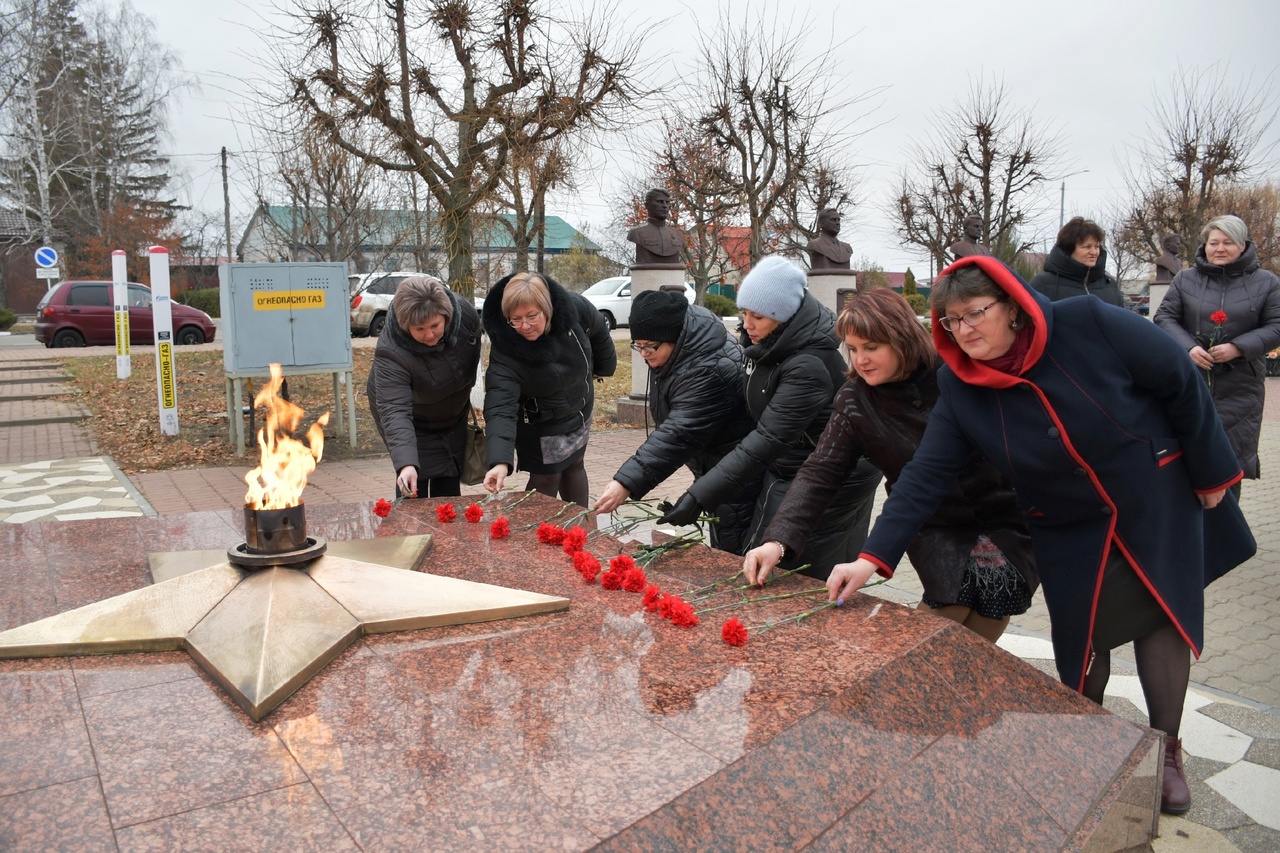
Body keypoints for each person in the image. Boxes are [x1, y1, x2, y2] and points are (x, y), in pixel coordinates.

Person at [825, 256, 1255, 815]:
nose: (963, 330)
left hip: (1152, 495)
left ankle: (1166, 750)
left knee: (1162, 616)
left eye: (974, 313)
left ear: (1012, 306)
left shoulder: (1089, 321)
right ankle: (1091, 739)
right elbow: (925, 475)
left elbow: (1179, 381)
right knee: (1086, 636)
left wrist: (1211, 468)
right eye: (950, 322)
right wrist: (871, 557)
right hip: (1067, 521)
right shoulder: (960, 385)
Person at [742, 288, 1037, 641]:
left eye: (871, 347)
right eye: (852, 349)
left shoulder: (953, 371)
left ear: (901, 339)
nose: (860, 360)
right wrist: (777, 541)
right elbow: (821, 471)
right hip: (931, 525)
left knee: (986, 617)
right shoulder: (855, 399)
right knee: (938, 629)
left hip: (1002, 515)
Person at [658, 255, 883, 578]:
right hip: (792, 467)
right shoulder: (768, 346)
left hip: (831, 476)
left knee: (793, 572)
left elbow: (767, 438)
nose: (747, 325)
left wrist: (699, 496)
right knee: (766, 563)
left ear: (784, 316)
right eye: (744, 313)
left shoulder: (807, 364)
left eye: (758, 316)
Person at [593, 289, 759, 553]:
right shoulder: (678, 353)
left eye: (650, 346)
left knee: (737, 552)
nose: (643, 353)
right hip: (717, 468)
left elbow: (680, 431)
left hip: (740, 475)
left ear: (675, 338)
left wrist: (626, 482)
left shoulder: (709, 369)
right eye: (638, 345)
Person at [1154, 214, 1280, 490]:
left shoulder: (1266, 282)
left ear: (1243, 245)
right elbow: (1164, 318)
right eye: (1213, 242)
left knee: (1228, 467)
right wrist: (1189, 348)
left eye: (1227, 242)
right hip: (1191, 381)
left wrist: (1238, 348)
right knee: (1185, 465)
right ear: (1205, 245)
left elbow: (1277, 326)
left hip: (1240, 387)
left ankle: (1226, 530)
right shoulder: (1186, 279)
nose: (1219, 248)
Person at [481, 271, 617, 506]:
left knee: (575, 464)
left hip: (578, 405)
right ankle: (535, 539)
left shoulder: (574, 307)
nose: (524, 326)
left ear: (547, 308)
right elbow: (500, 405)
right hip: (541, 420)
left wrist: (604, 367)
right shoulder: (505, 349)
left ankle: (579, 530)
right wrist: (499, 461)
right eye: (516, 319)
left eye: (532, 316)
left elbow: (598, 331)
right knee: (547, 476)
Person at [367, 275, 481, 498]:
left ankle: (449, 531)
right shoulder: (390, 352)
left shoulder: (465, 316)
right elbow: (394, 410)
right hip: (411, 418)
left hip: (451, 411)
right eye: (419, 329)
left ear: (446, 315)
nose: (429, 335)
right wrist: (406, 464)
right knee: (414, 482)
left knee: (448, 476)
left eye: (435, 325)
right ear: (405, 325)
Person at [1028, 216, 1124, 306]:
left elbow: (1122, 321)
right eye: (1087, 247)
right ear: (1069, 249)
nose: (1094, 252)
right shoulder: (1043, 284)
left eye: (1097, 246)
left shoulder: (1110, 285)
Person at [626, 188, 685, 267]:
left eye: (667, 203)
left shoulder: (678, 235)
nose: (665, 206)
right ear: (647, 205)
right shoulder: (636, 233)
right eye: (660, 202)